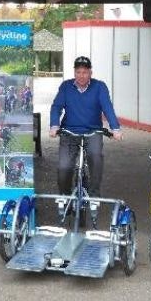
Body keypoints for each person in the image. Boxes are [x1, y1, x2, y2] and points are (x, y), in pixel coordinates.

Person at [49, 56, 123, 197]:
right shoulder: (66, 86)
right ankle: (64, 197)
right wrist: (54, 125)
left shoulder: (99, 87)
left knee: (96, 158)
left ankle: (94, 195)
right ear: (74, 72)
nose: (81, 76)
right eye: (78, 72)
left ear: (90, 73)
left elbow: (107, 107)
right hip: (69, 132)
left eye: (85, 72)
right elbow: (56, 107)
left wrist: (115, 129)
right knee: (64, 167)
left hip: (93, 131)